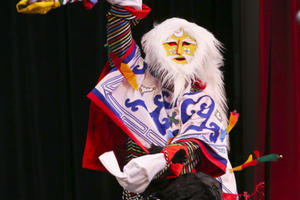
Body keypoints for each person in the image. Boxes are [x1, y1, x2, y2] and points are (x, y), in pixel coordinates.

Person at [78, 0, 238, 199]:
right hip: (142, 189)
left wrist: (170, 154)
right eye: (171, 44)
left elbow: (202, 137)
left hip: (185, 188)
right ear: (156, 49)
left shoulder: (202, 93)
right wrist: (122, 5)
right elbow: (119, 47)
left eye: (187, 45)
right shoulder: (137, 78)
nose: (179, 50)